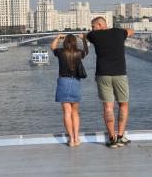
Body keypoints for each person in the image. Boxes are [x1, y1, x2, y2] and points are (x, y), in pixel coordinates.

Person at [86, 17, 134, 148]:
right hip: (120, 74)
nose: (92, 29)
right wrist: (121, 31)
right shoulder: (119, 33)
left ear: (100, 25)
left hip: (103, 74)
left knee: (108, 107)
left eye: (93, 26)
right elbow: (131, 31)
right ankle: (120, 136)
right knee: (123, 105)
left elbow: (87, 36)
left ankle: (112, 139)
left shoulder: (93, 36)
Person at [50, 33, 88, 147]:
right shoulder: (79, 53)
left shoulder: (61, 52)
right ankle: (77, 138)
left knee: (67, 112)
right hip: (75, 82)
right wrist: (84, 40)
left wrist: (57, 38)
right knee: (75, 112)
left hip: (63, 82)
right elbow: (86, 51)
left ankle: (71, 139)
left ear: (65, 42)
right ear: (75, 42)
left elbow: (52, 47)